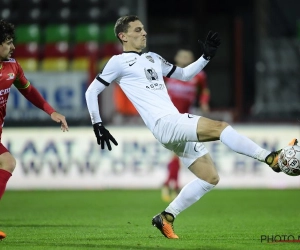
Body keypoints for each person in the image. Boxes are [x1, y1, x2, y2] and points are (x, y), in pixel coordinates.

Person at [85, 15, 297, 239]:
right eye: (137, 30)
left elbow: (185, 75)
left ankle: (166, 216)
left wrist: (206, 57)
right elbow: (92, 91)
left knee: (210, 177)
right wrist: (97, 123)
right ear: (123, 36)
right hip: (164, 123)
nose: (144, 33)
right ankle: (271, 159)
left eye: (144, 29)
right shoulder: (118, 62)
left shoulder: (153, 58)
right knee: (221, 127)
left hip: (171, 125)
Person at [0, 19, 69, 240]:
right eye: (8, 42)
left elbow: (29, 91)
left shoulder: (12, 66)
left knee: (7, 163)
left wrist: (51, 111)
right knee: (7, 162)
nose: (12, 47)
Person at [162, 48, 210, 202]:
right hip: (169, 118)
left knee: (177, 152)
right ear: (176, 58)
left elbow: (204, 91)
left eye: (188, 56)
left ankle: (170, 183)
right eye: (182, 56)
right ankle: (171, 184)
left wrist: (204, 102)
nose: (184, 59)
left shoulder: (198, 75)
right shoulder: (167, 74)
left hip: (186, 118)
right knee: (177, 151)